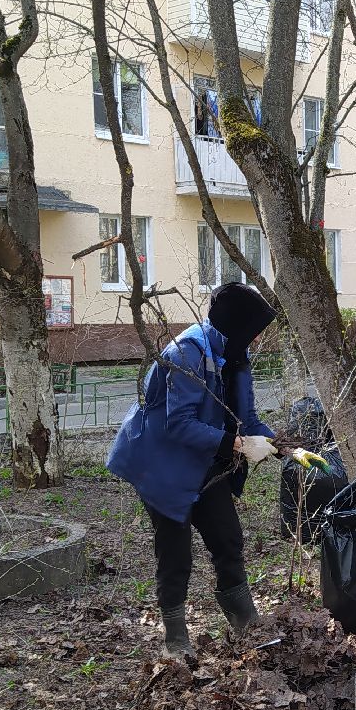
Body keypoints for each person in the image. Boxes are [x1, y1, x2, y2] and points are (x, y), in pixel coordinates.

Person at [107, 282, 279, 658]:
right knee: (175, 553)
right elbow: (179, 424)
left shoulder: (235, 354)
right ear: (236, 325)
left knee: (228, 539)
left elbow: (246, 417)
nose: (256, 338)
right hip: (163, 465)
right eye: (253, 330)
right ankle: (175, 638)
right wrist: (238, 444)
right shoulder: (187, 352)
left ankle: (245, 621)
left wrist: (280, 444)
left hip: (205, 462)